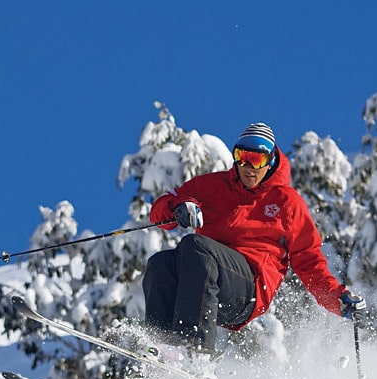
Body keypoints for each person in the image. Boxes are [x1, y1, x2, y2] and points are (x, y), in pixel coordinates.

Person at [143, 122, 365, 356]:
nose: (248, 167)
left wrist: (337, 298)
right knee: (161, 264)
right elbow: (160, 214)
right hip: (203, 284)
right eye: (242, 157)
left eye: (257, 160)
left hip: (248, 288)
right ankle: (162, 348)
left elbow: (308, 260)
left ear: (270, 161)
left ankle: (196, 353)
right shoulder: (211, 187)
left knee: (196, 246)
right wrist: (178, 206)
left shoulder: (286, 202)